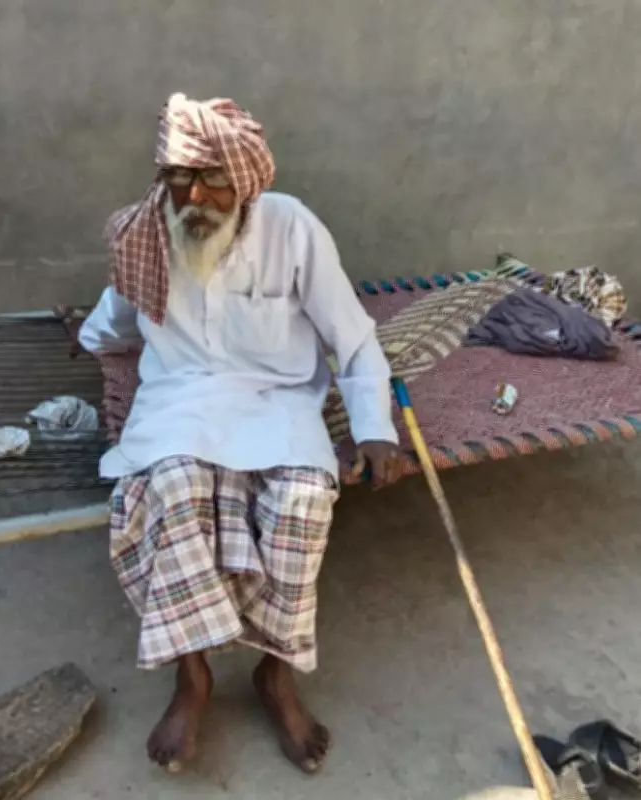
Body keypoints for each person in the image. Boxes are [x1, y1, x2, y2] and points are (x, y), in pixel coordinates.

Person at [78, 92, 402, 775]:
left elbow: (351, 335)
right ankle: (191, 676)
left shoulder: (293, 227)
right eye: (179, 177)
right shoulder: (148, 235)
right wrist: (89, 339)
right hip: (179, 404)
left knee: (305, 500)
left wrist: (375, 426)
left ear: (247, 180)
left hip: (276, 404)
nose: (195, 196)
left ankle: (275, 675)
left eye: (214, 179)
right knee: (171, 488)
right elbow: (112, 322)